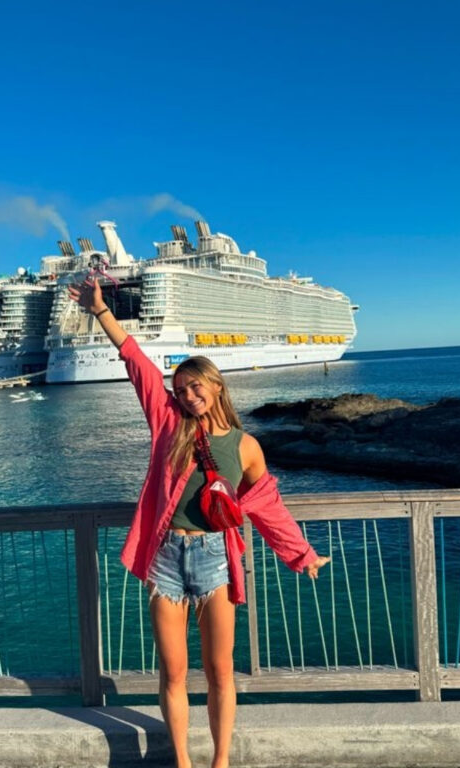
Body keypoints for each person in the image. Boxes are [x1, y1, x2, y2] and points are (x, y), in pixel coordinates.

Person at [69, 277, 330, 768]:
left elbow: (267, 505)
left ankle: (221, 761)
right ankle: (183, 762)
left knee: (220, 671)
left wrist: (302, 554)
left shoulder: (246, 446)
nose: (188, 396)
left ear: (216, 385)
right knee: (172, 674)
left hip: (215, 560)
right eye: (181, 390)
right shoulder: (169, 425)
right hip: (167, 557)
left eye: (195, 387)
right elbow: (138, 366)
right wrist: (102, 312)